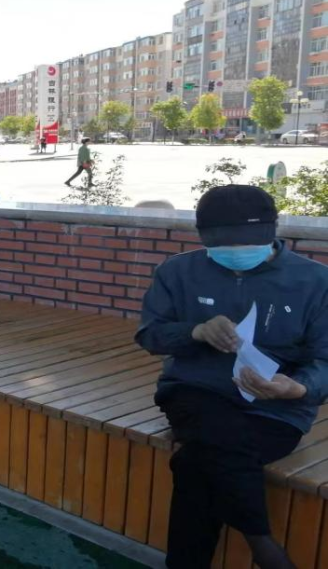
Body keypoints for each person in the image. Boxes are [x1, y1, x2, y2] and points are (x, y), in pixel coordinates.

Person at [135, 184, 328, 569]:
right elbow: (150, 335)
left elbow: (325, 359)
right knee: (213, 432)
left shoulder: (315, 282)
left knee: (194, 464)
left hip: (277, 408)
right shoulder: (177, 272)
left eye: (247, 243)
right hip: (195, 392)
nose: (237, 253)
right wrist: (195, 331)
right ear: (203, 236)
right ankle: (263, 545)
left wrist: (297, 388)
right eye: (224, 244)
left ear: (272, 232)